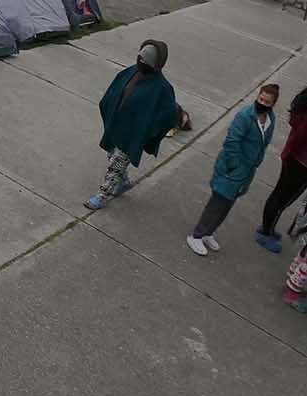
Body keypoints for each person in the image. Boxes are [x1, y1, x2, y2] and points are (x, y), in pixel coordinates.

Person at [85, 39, 177, 211]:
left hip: (132, 135)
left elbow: (169, 114)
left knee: (117, 163)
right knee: (112, 156)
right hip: (116, 126)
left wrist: (148, 131)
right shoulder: (131, 72)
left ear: (155, 66)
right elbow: (114, 91)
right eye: (139, 59)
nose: (141, 63)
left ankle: (102, 195)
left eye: (146, 62)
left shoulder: (162, 87)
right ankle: (124, 182)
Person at [186, 83, 278, 256]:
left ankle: (208, 233)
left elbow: (264, 143)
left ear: (273, 104)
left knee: (228, 204)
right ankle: (196, 235)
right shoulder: (245, 116)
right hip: (232, 168)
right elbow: (232, 141)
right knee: (217, 203)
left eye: (267, 102)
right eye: (261, 99)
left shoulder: (270, 120)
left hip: (246, 172)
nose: (263, 103)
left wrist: (256, 162)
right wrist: (234, 165)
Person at [256, 86, 307, 253]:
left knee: (280, 194)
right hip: (301, 162)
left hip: (294, 158)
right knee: (283, 199)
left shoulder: (303, 100)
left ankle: (267, 227)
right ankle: (265, 232)